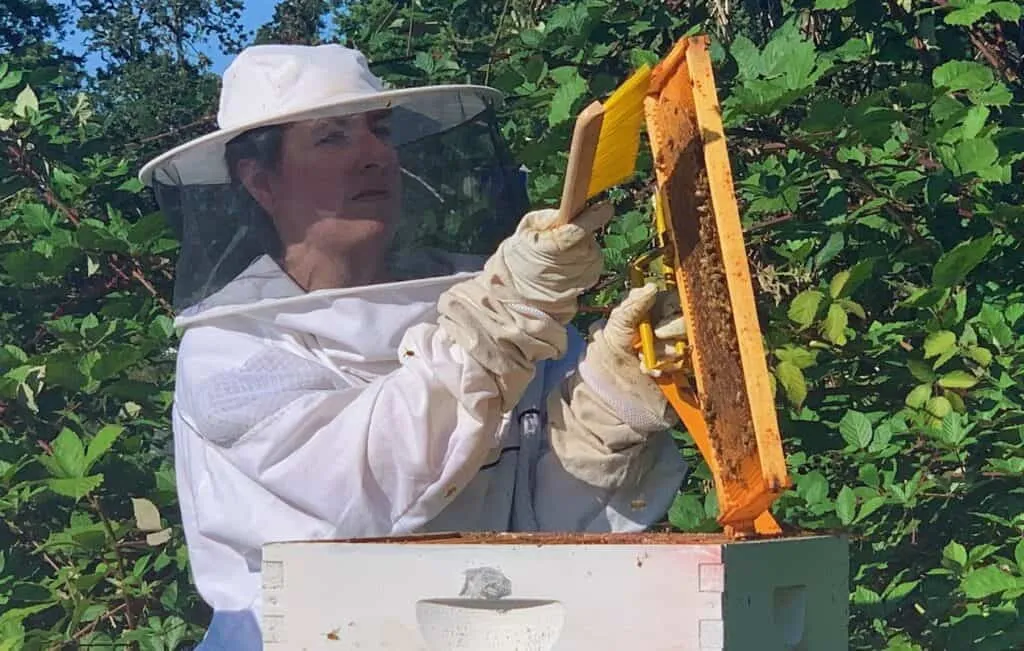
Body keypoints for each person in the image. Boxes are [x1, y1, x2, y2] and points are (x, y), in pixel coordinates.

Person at [138, 43, 689, 649]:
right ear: (261, 181)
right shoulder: (230, 351)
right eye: (332, 137)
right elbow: (364, 489)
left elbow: (541, 528)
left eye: (379, 130)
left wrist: (606, 401)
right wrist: (505, 314)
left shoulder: (491, 303)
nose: (375, 155)